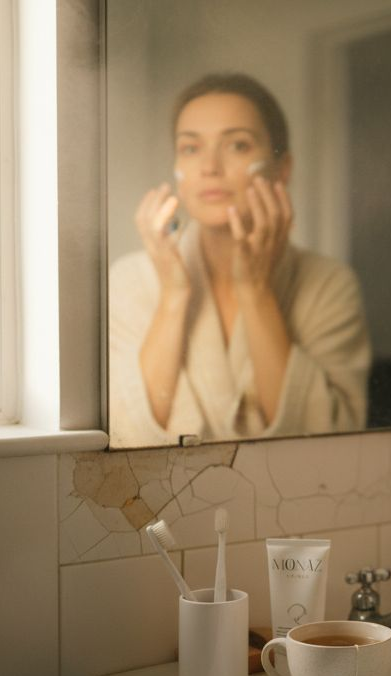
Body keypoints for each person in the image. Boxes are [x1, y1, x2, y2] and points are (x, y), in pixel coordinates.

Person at [109, 73, 370, 447]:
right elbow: (127, 436)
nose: (210, 167)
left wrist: (256, 292)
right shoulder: (130, 280)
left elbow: (328, 441)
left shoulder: (328, 283)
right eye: (191, 148)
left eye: (237, 145)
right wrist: (172, 297)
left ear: (282, 169)